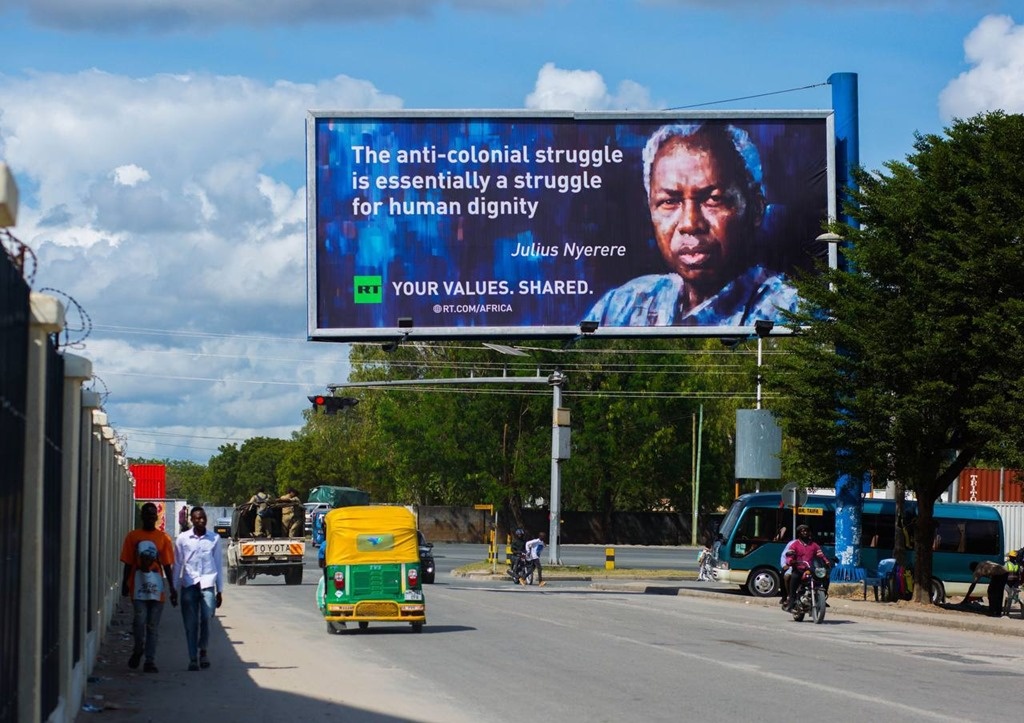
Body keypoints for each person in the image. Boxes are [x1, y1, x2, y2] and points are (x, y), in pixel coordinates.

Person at [584, 122, 799, 327]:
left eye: (713, 199)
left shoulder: (791, 312)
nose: (690, 223)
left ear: (756, 209)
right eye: (669, 202)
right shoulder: (624, 305)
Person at [120, 502, 177, 673]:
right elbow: (128, 562)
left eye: (153, 515)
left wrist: (173, 589)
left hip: (157, 588)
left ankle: (150, 661)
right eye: (147, 515)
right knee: (139, 621)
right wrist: (124, 583)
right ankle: (138, 649)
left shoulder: (164, 538)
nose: (150, 518)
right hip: (137, 587)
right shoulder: (132, 537)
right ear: (142, 516)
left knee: (152, 626)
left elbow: (167, 565)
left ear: (156, 518)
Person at [173, 506, 224, 671]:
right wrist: (174, 588)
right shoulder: (183, 539)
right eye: (197, 518)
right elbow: (178, 563)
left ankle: (203, 650)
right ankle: (193, 658)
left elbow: (218, 564)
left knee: (206, 618)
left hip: (208, 583)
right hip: (189, 584)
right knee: (190, 623)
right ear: (192, 520)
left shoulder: (214, 538)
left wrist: (220, 590)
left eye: (203, 518)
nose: (201, 521)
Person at [783, 524, 830, 612]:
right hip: (799, 569)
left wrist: (826, 562)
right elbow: (789, 555)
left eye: (806, 531)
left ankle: (822, 598)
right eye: (802, 531)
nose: (805, 532)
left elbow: (821, 555)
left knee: (826, 577)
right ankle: (791, 601)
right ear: (799, 533)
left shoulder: (814, 545)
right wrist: (791, 561)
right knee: (794, 577)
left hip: (812, 569)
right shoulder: (794, 545)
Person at [778, 536, 797, 606]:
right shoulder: (793, 543)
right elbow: (784, 555)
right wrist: (784, 565)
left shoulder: (813, 545)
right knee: (784, 576)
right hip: (794, 565)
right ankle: (785, 597)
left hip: (807, 567)